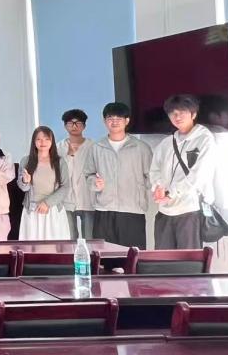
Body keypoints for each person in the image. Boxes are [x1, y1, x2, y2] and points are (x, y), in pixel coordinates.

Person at [149, 94, 217, 249]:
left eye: (182, 112)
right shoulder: (166, 143)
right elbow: (155, 169)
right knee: (163, 259)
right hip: (164, 211)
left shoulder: (205, 139)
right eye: (173, 113)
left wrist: (171, 193)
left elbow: (198, 175)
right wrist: (158, 187)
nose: (177, 117)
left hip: (190, 210)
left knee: (188, 259)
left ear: (193, 114)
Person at [82, 102, 152, 249]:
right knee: (105, 255)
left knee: (132, 255)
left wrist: (139, 189)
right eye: (110, 118)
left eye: (119, 118)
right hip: (104, 209)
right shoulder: (96, 147)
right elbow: (88, 174)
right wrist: (95, 183)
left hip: (132, 210)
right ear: (104, 121)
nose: (114, 122)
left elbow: (151, 176)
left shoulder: (141, 148)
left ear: (127, 121)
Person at [18, 126, 71, 240]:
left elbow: (65, 186)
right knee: (32, 246)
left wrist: (47, 203)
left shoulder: (59, 162)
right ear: (34, 141)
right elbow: (23, 188)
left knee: (54, 246)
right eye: (39, 139)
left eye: (47, 139)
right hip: (32, 210)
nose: (43, 142)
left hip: (52, 210)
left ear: (52, 141)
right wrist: (25, 181)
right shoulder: (26, 161)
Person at [56, 109, 95, 240]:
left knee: (89, 238)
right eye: (70, 123)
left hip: (87, 197)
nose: (74, 126)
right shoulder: (59, 147)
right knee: (69, 237)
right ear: (65, 126)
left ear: (84, 126)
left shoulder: (93, 146)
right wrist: (69, 155)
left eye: (78, 123)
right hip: (66, 198)